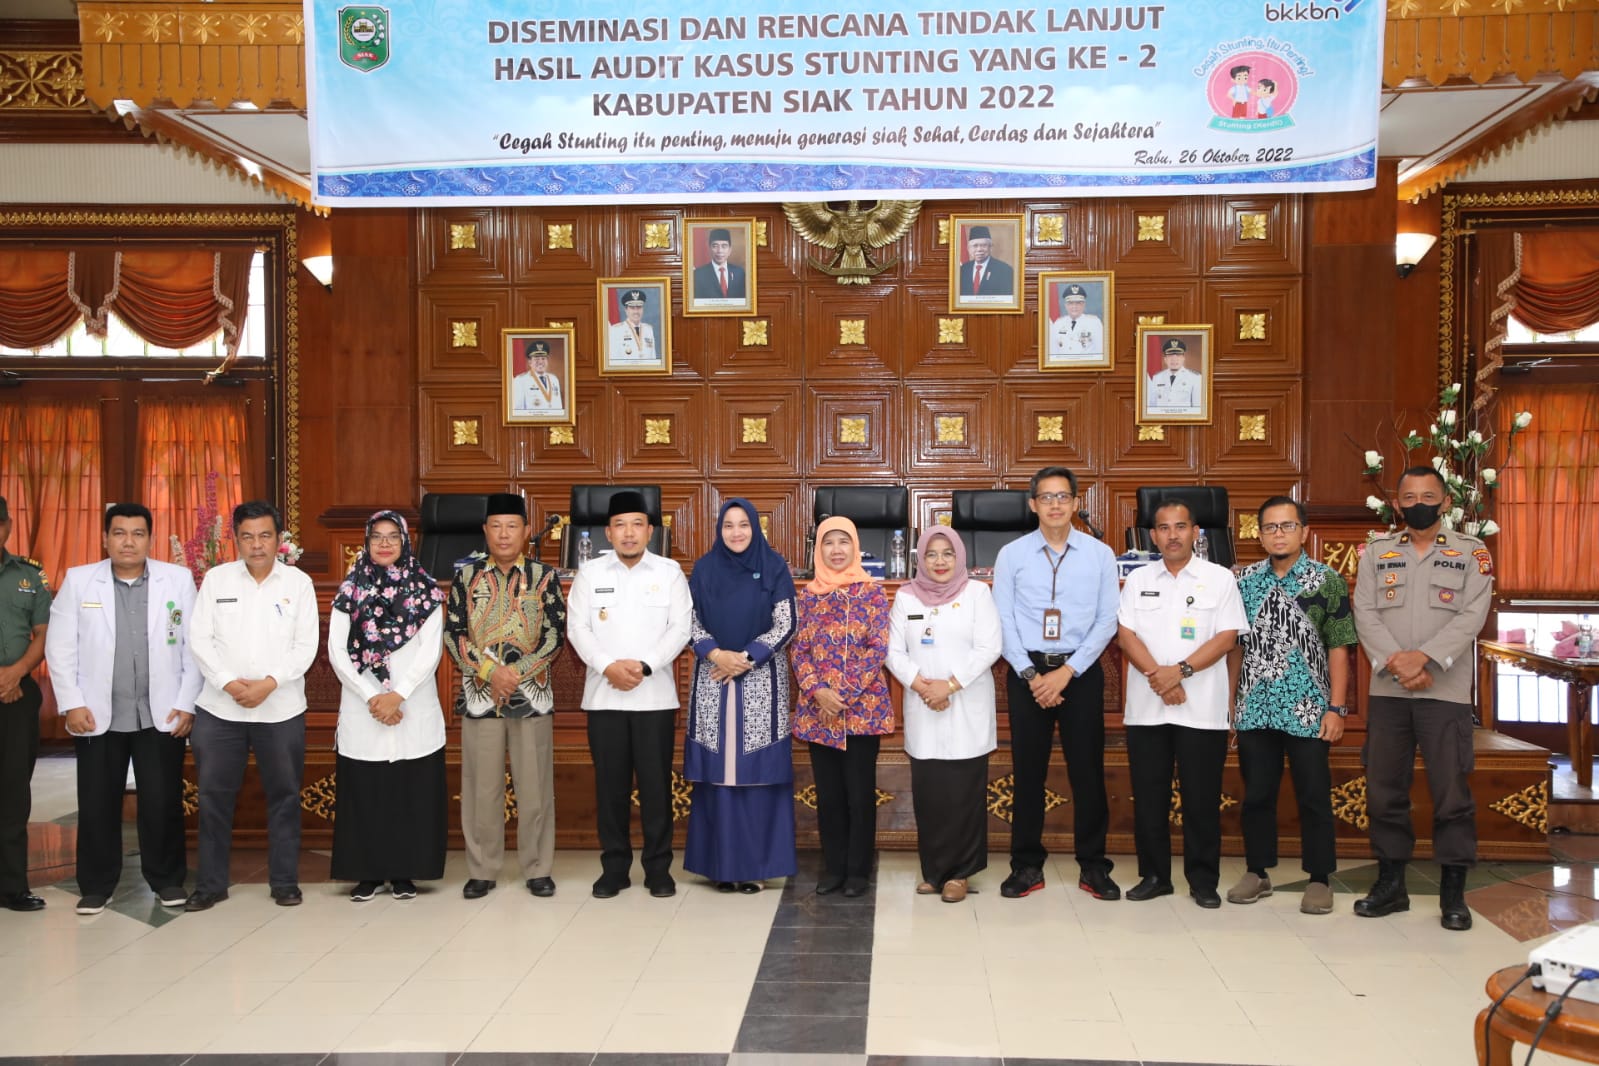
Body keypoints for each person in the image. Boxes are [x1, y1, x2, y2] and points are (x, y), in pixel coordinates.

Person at [1352, 466, 1493, 931]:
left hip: (1445, 690)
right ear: (1397, 504)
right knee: (1383, 790)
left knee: (1451, 792)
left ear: (1445, 502)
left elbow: (1473, 614)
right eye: (1409, 497)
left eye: (1428, 496)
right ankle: (1391, 885)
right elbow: (1364, 611)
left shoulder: (1471, 552)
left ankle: (1453, 893)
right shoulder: (1377, 552)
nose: (1418, 504)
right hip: (1389, 690)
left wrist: (1425, 658)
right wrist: (1398, 662)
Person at [46, 503, 202, 915]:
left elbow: (194, 647)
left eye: (137, 533)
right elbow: (59, 647)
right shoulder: (80, 581)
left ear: (150, 539)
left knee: (162, 801)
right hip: (96, 714)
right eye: (119, 533)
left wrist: (186, 703)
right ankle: (97, 886)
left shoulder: (177, 580)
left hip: (162, 713)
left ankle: (167, 880)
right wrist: (72, 703)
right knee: (97, 802)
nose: (128, 542)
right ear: (105, 539)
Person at [991, 466, 1121, 901]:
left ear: (1076, 503)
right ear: (1033, 504)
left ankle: (1094, 866)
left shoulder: (1100, 554)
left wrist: (1067, 672)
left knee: (1088, 773)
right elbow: (1002, 619)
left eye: (1063, 497)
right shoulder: (1011, 554)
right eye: (1046, 497)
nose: (1055, 505)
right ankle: (1026, 866)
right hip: (1027, 673)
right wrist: (1032, 675)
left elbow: (1107, 620)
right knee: (1028, 773)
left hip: (1080, 672)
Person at [185, 500, 320, 911]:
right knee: (214, 799)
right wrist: (228, 683)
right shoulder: (217, 579)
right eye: (247, 537)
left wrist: (268, 684)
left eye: (265, 536)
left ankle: (284, 882)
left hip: (280, 709)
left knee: (284, 797)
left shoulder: (298, 583)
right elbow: (200, 639)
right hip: (220, 710)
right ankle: (211, 884)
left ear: (278, 539)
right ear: (236, 539)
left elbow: (306, 646)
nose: (257, 545)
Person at [1226, 497, 1356, 915]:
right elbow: (1235, 647)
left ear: (1304, 532)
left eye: (1287, 526)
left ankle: (1319, 878)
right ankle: (1257, 872)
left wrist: (1336, 708)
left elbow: (1339, 647)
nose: (1278, 534)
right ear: (1260, 535)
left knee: (1313, 795)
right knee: (1257, 795)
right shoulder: (1244, 581)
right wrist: (1231, 702)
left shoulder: (1326, 580)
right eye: (1270, 527)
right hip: (1256, 706)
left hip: (1309, 709)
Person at [1117, 498, 1247, 908]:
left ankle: (1203, 881)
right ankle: (1155, 876)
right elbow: (1125, 635)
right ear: (1152, 536)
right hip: (1147, 708)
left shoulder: (1219, 578)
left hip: (1202, 709)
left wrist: (1180, 672)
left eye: (1180, 526)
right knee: (1149, 798)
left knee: (1201, 799)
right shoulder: (1137, 579)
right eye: (1163, 528)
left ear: (1196, 532)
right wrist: (1160, 677)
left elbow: (1227, 637)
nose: (1172, 535)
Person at [567, 491, 691, 899]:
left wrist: (645, 665)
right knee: (611, 789)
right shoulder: (590, 574)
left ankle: (658, 869)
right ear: (608, 532)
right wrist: (608, 666)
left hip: (654, 698)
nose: (629, 533)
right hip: (604, 698)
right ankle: (614, 868)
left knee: (656, 788)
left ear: (650, 531)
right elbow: (577, 629)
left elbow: (680, 628)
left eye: (637, 524)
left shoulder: (669, 572)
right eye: (620, 525)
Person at [445, 493, 567, 901]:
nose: (503, 534)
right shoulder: (466, 577)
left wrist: (515, 674)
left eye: (511, 526)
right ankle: (482, 869)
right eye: (496, 526)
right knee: (481, 789)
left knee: (535, 788)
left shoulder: (544, 576)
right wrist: (490, 673)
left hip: (532, 696)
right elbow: (454, 635)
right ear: (485, 531)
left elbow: (554, 636)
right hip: (480, 696)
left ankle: (538, 868)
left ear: (526, 531)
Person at [327, 511, 448, 902]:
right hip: (364, 706)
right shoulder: (350, 590)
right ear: (366, 542)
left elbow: (430, 652)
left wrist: (399, 694)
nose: (384, 543)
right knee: (367, 790)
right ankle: (367, 874)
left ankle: (405, 873)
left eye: (392, 536)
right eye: (376, 536)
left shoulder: (426, 590)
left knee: (410, 791)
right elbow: (337, 652)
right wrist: (372, 696)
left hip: (413, 703)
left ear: (405, 541)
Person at [684, 498, 798, 894]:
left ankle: (756, 868)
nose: (736, 532)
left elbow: (787, 622)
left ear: (755, 528)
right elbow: (688, 620)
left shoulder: (774, 566)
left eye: (744, 524)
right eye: (729, 525)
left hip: (761, 681)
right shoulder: (704, 568)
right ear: (719, 530)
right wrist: (717, 654)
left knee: (758, 774)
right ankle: (720, 867)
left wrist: (746, 658)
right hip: (713, 677)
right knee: (717, 775)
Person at [887, 527, 1002, 903]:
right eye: (932, 554)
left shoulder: (977, 594)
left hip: (965, 703)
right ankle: (934, 871)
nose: (940, 561)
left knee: (964, 793)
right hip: (924, 704)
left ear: (959, 557)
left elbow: (989, 647)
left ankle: (960, 873)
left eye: (947, 553)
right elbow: (893, 652)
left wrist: (948, 686)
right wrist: (923, 686)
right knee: (930, 794)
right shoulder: (905, 596)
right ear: (920, 558)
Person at [791, 516, 892, 897]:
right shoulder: (807, 596)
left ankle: (858, 872)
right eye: (828, 542)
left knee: (859, 795)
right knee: (829, 796)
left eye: (843, 542)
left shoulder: (872, 592)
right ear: (818, 549)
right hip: (819, 710)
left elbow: (877, 648)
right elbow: (799, 650)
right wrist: (818, 692)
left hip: (861, 710)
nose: (836, 550)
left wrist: (842, 695)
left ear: (855, 547)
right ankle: (833, 868)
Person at [0, 496, 51, 913]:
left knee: (14, 792)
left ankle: (13, 887)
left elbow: (43, 633)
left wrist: (15, 673)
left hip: (17, 696)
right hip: (7, 685)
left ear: (8, 526)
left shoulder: (30, 576)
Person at [1047, 283, 1104, 358]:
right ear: (1066, 305)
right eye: (1070, 303)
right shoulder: (1058, 324)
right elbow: (1053, 354)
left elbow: (1101, 353)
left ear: (1084, 305)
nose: (1074, 306)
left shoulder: (1094, 323)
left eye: (1078, 303)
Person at [957, 225, 1015, 297]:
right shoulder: (963, 269)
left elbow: (1007, 298)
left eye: (984, 245)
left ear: (990, 247)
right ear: (969, 249)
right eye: (975, 246)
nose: (979, 249)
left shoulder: (1005, 270)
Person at [1147, 338, 1203, 412]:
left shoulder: (1195, 378)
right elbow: (1152, 406)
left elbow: (1197, 409)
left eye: (1178, 355)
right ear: (1165, 359)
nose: (1174, 359)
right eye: (1170, 355)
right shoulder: (1157, 377)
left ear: (1183, 358)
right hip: (1161, 418)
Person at [692, 226, 747, 300]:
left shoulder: (739, 273)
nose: (720, 251)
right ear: (709, 249)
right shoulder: (698, 274)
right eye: (715, 246)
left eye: (724, 246)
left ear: (730, 250)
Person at [607, 288, 658, 364]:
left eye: (639, 307)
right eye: (632, 308)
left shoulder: (649, 329)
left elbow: (653, 357)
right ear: (626, 310)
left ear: (642, 309)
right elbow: (613, 360)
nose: (636, 311)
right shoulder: (616, 330)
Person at [512, 341, 564, 413]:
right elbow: (517, 411)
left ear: (547, 361)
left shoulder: (554, 379)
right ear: (530, 362)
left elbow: (559, 407)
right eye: (536, 359)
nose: (540, 362)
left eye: (543, 358)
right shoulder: (520, 381)